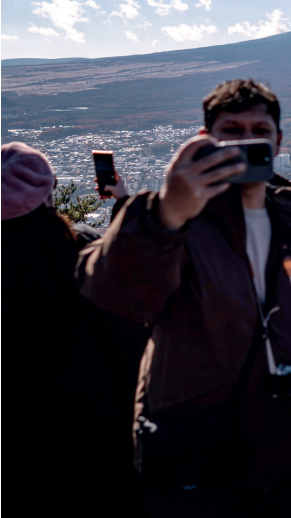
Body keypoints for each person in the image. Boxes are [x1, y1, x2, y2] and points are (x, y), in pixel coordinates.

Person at [77, 79, 291, 517]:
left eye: (258, 130)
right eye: (233, 130)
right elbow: (113, 293)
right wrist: (166, 213)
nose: (247, 142)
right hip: (196, 454)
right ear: (207, 140)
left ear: (278, 141)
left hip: (287, 450)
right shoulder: (177, 218)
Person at [1, 142, 144, 516]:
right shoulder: (82, 252)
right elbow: (130, 272)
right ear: (48, 193)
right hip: (99, 431)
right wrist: (124, 205)